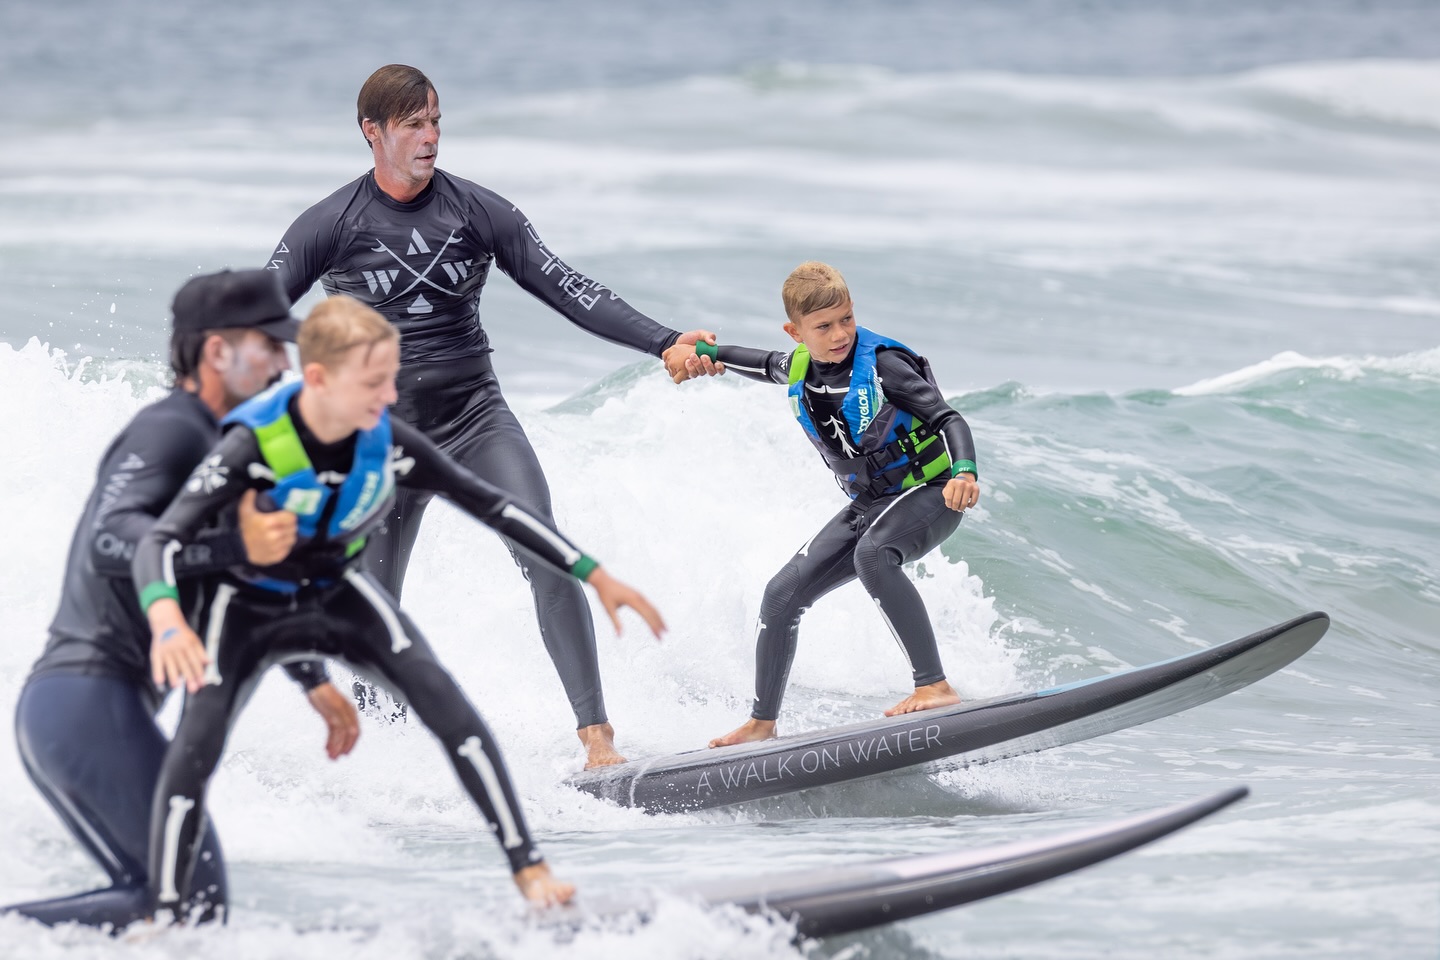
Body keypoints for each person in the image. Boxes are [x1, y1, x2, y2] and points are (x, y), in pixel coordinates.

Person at [131, 296, 665, 920]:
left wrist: (592, 573)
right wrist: (167, 618)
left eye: (391, 378)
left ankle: (530, 867)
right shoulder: (250, 445)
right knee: (195, 750)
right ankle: (162, 910)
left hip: (336, 593)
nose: (389, 398)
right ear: (320, 379)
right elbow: (159, 542)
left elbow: (492, 504)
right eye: (374, 382)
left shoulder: (385, 441)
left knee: (453, 713)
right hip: (251, 611)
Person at [266, 63, 716, 767]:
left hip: (475, 419)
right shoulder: (329, 224)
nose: (430, 136)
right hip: (378, 440)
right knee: (373, 606)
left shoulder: (476, 211)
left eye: (436, 120)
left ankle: (598, 741)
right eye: (414, 123)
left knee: (547, 554)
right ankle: (387, 762)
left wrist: (663, 341)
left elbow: (568, 286)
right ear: (372, 133)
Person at [6, 270, 359, 930]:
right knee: (187, 905)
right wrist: (235, 549)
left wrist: (312, 679)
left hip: (84, 708)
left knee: (165, 904)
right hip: (83, 698)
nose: (285, 362)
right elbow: (114, 539)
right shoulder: (172, 429)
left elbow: (242, 585)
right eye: (269, 344)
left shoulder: (232, 448)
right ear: (216, 350)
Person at [669, 262, 982, 748]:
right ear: (796, 332)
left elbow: (949, 418)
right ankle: (761, 722)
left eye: (847, 320)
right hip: (872, 502)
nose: (840, 334)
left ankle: (934, 684)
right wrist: (700, 352)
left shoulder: (883, 366)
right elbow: (744, 357)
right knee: (781, 594)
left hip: (932, 491)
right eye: (824, 327)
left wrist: (964, 471)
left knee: (875, 555)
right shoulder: (796, 365)